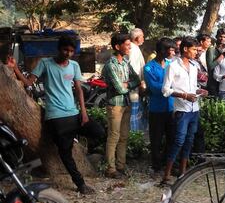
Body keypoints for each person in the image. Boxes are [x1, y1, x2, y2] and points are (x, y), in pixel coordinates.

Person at [8, 35, 105, 194]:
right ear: (59, 49)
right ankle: (81, 185)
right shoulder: (45, 64)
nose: (68, 53)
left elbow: (79, 90)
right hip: (56, 116)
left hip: (74, 113)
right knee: (65, 154)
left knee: (98, 131)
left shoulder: (74, 65)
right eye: (65, 50)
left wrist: (84, 112)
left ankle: (70, 138)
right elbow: (28, 83)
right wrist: (15, 68)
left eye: (71, 51)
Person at [161, 37, 207, 185]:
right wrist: (183, 95)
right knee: (179, 141)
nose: (196, 52)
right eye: (194, 49)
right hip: (181, 109)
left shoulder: (194, 66)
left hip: (194, 108)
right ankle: (166, 175)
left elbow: (192, 87)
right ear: (185, 49)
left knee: (189, 140)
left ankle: (182, 173)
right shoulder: (173, 66)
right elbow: (165, 90)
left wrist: (199, 91)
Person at [101, 32, 143, 178]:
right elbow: (120, 88)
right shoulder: (110, 65)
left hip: (126, 103)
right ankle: (110, 169)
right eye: (126, 45)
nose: (129, 48)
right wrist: (128, 84)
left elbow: (137, 80)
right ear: (117, 46)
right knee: (114, 136)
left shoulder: (125, 63)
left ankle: (120, 166)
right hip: (115, 105)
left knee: (123, 136)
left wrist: (127, 83)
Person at [144, 37, 177, 175]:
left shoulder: (171, 64)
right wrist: (170, 88)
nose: (173, 52)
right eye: (170, 50)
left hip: (171, 107)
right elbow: (155, 88)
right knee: (156, 138)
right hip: (156, 109)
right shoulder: (149, 68)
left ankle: (167, 162)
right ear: (162, 51)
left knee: (171, 137)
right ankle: (156, 164)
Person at [128, 28, 147, 132]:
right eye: (142, 36)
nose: (143, 38)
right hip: (134, 88)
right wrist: (140, 85)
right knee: (133, 117)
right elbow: (134, 71)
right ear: (136, 38)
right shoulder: (133, 49)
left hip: (133, 87)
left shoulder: (133, 48)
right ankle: (134, 140)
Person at [205, 29, 225, 96]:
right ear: (216, 36)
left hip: (224, 82)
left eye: (224, 37)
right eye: (220, 36)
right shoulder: (211, 49)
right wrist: (221, 57)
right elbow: (210, 66)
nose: (222, 39)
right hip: (213, 82)